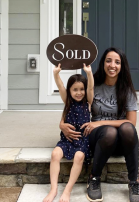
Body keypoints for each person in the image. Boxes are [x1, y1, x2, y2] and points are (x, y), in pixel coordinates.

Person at [60, 47, 139, 202]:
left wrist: (101, 122)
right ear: (103, 63)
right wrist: (62, 124)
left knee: (128, 128)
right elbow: (71, 103)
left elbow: (131, 122)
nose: (112, 65)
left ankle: (134, 182)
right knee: (110, 132)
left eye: (117, 62)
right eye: (108, 60)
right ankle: (94, 178)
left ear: (122, 66)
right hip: (98, 139)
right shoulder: (93, 85)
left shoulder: (127, 91)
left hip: (119, 142)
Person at [43, 63, 94, 202]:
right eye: (75, 89)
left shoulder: (88, 102)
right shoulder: (68, 102)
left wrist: (89, 73)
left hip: (82, 140)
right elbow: (60, 86)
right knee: (55, 154)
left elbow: (90, 87)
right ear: (70, 91)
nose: (79, 92)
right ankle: (53, 189)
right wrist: (56, 74)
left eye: (81, 89)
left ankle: (67, 190)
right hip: (67, 140)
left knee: (78, 157)